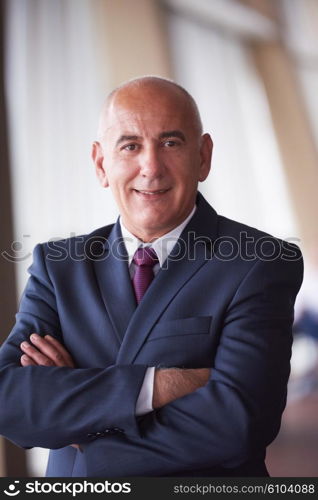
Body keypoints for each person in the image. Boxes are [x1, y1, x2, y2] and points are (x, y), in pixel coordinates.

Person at [0, 76, 303, 477]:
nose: (151, 167)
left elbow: (237, 423)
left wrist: (80, 423)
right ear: (100, 163)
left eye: (171, 143)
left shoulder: (260, 262)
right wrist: (159, 385)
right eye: (130, 146)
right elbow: (8, 399)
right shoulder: (59, 266)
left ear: (203, 156)